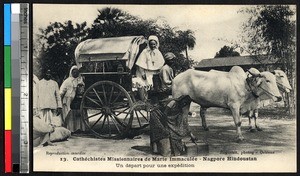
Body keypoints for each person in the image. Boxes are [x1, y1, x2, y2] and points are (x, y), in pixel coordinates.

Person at [60, 65, 86, 133]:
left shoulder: (80, 80)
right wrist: (60, 100)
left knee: (78, 114)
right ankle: (70, 129)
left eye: (77, 72)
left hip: (78, 99)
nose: (75, 74)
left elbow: (82, 88)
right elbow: (61, 91)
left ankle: (79, 128)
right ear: (71, 72)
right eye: (74, 72)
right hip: (68, 100)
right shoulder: (67, 81)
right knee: (69, 114)